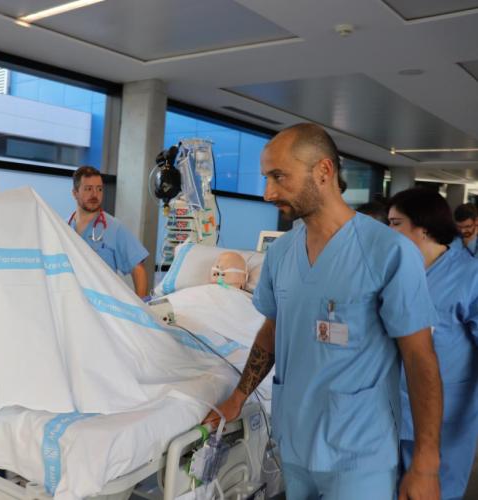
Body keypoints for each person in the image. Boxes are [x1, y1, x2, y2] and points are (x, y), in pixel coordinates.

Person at [204, 123, 442, 500]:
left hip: (359, 453)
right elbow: (273, 330)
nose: (268, 193)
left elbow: (420, 359)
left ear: (324, 171)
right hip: (294, 443)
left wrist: (426, 463)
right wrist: (238, 396)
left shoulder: (388, 253)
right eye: (266, 178)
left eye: (279, 177)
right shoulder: (281, 254)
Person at [388, 188, 478, 500]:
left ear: (423, 227)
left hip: (446, 416)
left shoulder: (469, 276)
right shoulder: (397, 272)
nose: (388, 231)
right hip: (390, 411)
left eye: (396, 223)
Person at [69, 166, 149, 297]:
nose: (95, 194)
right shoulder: (63, 227)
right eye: (88, 189)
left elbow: (138, 269)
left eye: (99, 189)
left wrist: (141, 305)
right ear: (75, 193)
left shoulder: (114, 228)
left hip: (102, 305)